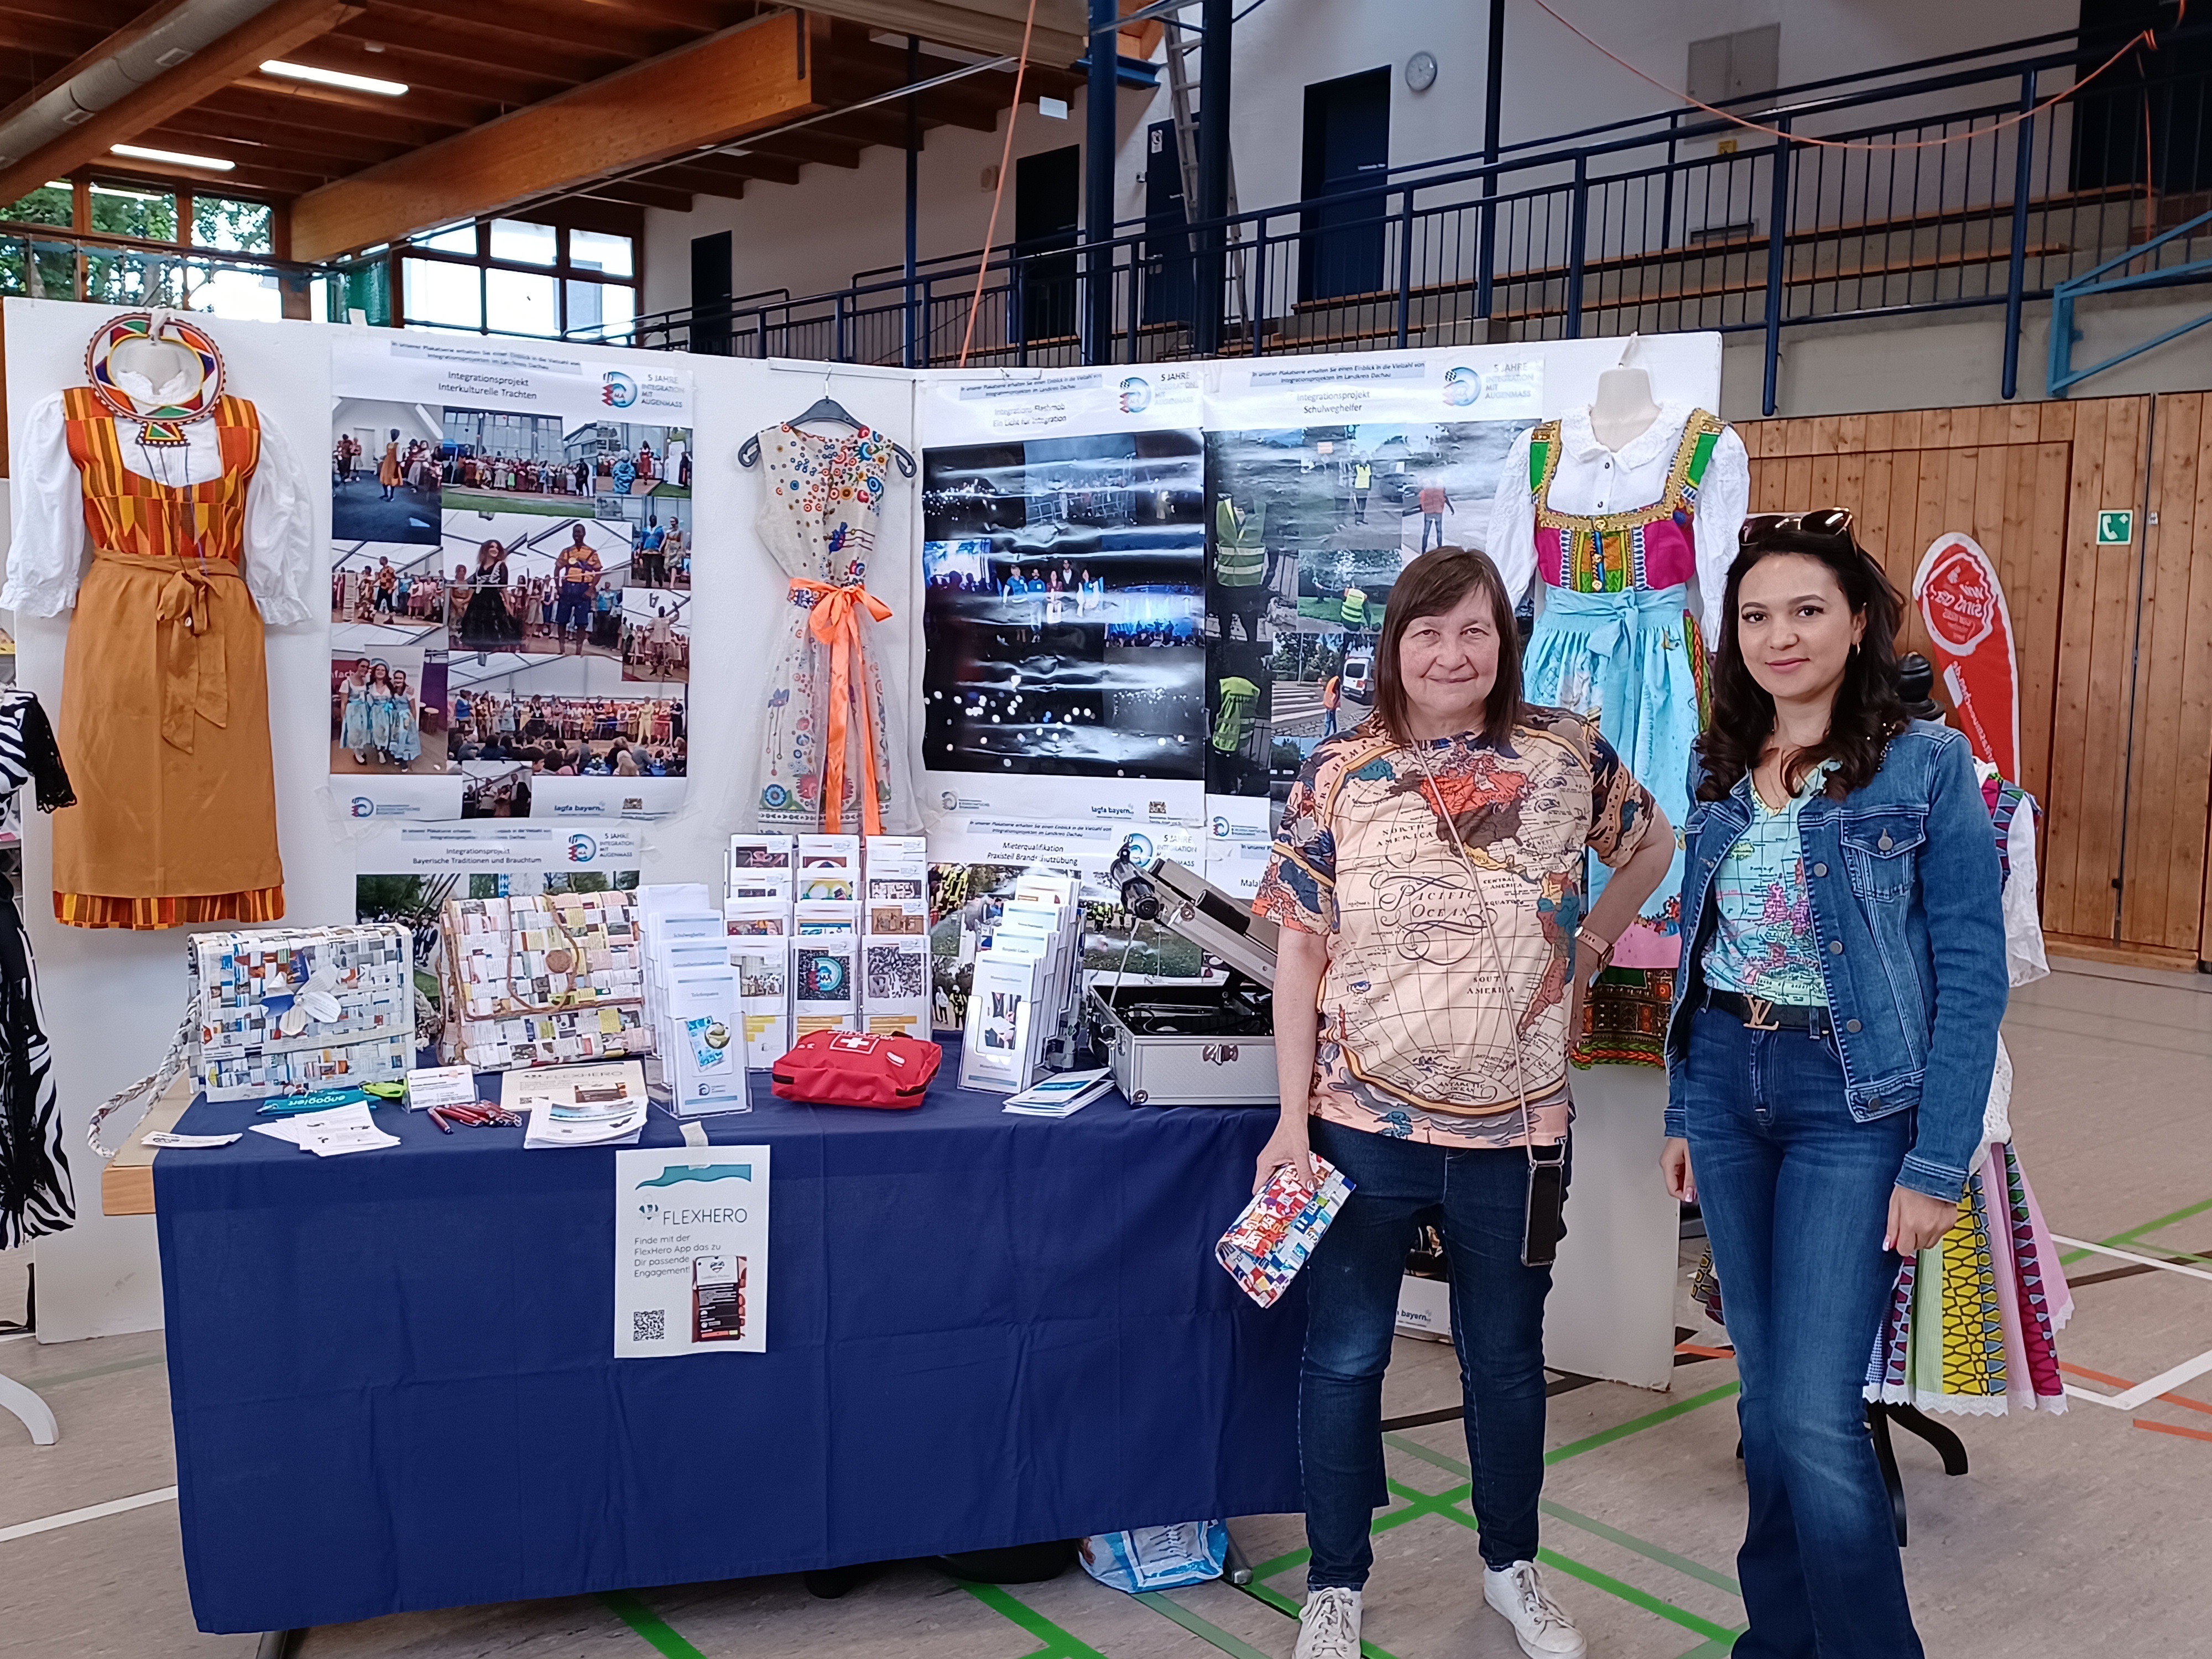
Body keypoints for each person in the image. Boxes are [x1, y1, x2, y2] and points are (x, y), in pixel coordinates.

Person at [1250, 546, 1674, 1659]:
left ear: (1503, 641)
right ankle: (1333, 1582)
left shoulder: (1565, 752)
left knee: (1501, 1361)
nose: (1451, 653)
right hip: (1359, 1127)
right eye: (1426, 632)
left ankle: (1511, 1567)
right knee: (1343, 1357)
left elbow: (1654, 843)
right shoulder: (1339, 768)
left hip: (1518, 1135)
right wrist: (1289, 1123)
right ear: (1395, 646)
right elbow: (1297, 956)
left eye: (1474, 630)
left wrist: (1588, 938)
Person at [1661, 510, 2008, 1659]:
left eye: (1805, 610)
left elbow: (1969, 968)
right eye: (1755, 616)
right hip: (1723, 1081)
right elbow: (1700, 947)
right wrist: (1680, 1110)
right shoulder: (1717, 762)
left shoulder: (1924, 764)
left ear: (1856, 624)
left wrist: (1933, 1158)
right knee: (1764, 1406)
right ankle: (1777, 1642)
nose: (1779, 635)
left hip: (1850, 1106)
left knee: (1812, 1414)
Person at [552, 524, 603, 655]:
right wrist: (558, 587)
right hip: (568, 588)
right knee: (562, 620)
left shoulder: (592, 552)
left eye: (579, 532)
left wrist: (590, 589)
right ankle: (562, 649)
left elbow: (598, 573)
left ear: (584, 534)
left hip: (583, 589)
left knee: (582, 623)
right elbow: (557, 569)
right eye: (575, 532)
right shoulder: (567, 552)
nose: (577, 534)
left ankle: (578, 651)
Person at [1418, 476, 1451, 551]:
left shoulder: (1425, 487)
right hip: (1438, 511)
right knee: (1439, 531)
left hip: (1428, 512)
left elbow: (1422, 499)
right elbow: (1445, 497)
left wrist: (1423, 508)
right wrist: (1451, 508)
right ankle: (1440, 548)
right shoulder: (1440, 487)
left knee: (1426, 532)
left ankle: (1424, 550)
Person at [378, 429, 401, 502]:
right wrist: (384, 457)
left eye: (395, 434)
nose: (393, 435)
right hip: (387, 463)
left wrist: (397, 468)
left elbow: (399, 457)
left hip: (394, 464)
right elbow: (388, 454)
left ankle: (391, 496)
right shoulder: (389, 444)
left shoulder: (399, 445)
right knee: (385, 479)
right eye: (392, 434)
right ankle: (386, 494)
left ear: (398, 436)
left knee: (392, 480)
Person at [1320, 672, 1341, 738]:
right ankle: (1335, 732)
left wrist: (1332, 704)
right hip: (1331, 703)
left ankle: (1326, 735)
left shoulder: (1335, 680)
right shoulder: (1335, 680)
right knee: (1333, 719)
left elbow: (1335, 693)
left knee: (1328, 721)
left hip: (1331, 703)